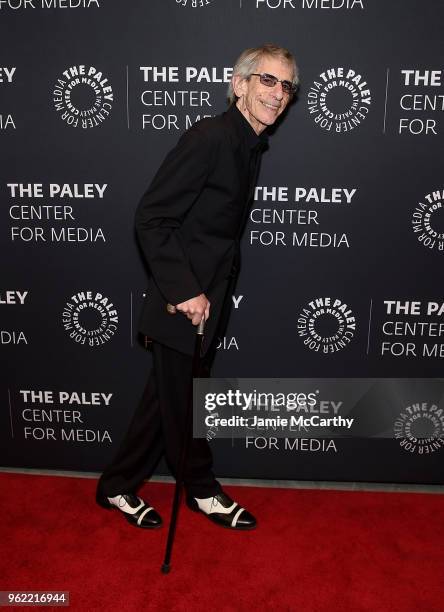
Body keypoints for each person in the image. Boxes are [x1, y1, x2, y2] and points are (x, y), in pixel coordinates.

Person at [96, 43, 299, 530]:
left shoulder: (248, 144)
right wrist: (184, 291)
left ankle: (117, 485)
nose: (278, 94)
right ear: (240, 85)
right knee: (187, 405)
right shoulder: (210, 137)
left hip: (210, 299)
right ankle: (203, 491)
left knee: (163, 400)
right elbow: (152, 218)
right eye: (267, 81)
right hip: (182, 303)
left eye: (287, 86)